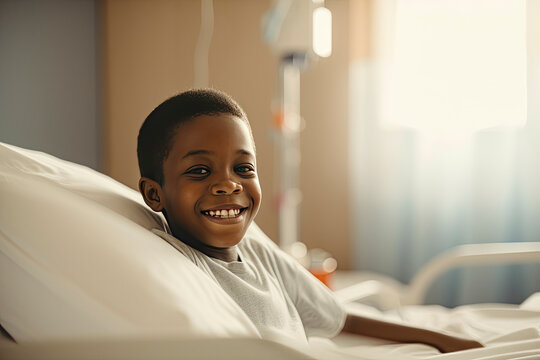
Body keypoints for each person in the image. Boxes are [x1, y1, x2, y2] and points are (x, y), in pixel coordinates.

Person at [137, 88, 483, 353]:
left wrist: (447, 342)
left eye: (244, 168)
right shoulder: (181, 268)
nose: (229, 184)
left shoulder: (257, 251)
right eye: (199, 170)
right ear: (155, 195)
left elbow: (340, 316)